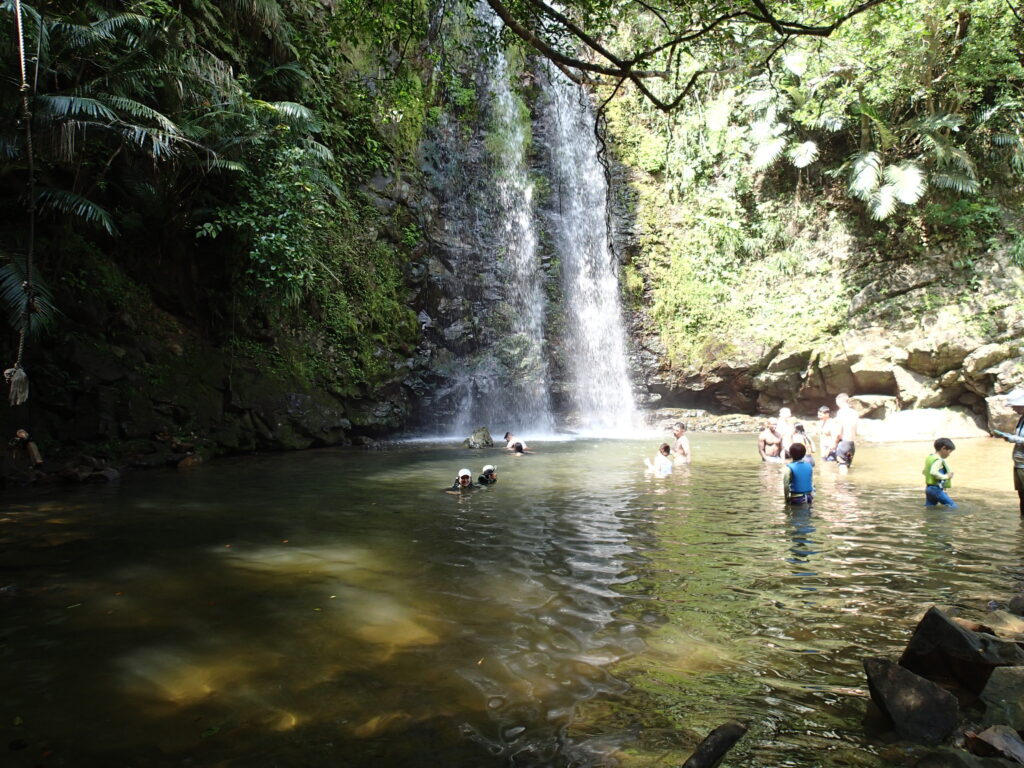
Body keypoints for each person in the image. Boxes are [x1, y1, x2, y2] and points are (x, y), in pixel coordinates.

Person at [992, 389, 1024, 515]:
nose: (1013, 409)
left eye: (1015, 406)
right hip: (1019, 463)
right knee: (1021, 494)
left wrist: (1013, 438)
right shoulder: (1021, 419)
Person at [922, 438, 956, 508]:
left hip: (928, 488)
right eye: (949, 451)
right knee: (953, 506)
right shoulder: (938, 460)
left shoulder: (930, 457)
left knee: (930, 507)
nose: (949, 454)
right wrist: (946, 476)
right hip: (935, 489)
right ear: (943, 448)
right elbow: (933, 472)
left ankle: (930, 519)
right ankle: (944, 519)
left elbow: (924, 472)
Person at [831, 393, 860, 471]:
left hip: (843, 443)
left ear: (840, 401)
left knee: (842, 466)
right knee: (848, 466)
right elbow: (856, 430)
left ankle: (843, 482)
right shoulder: (854, 413)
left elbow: (838, 432)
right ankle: (849, 483)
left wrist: (834, 443)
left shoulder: (841, 413)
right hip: (851, 445)